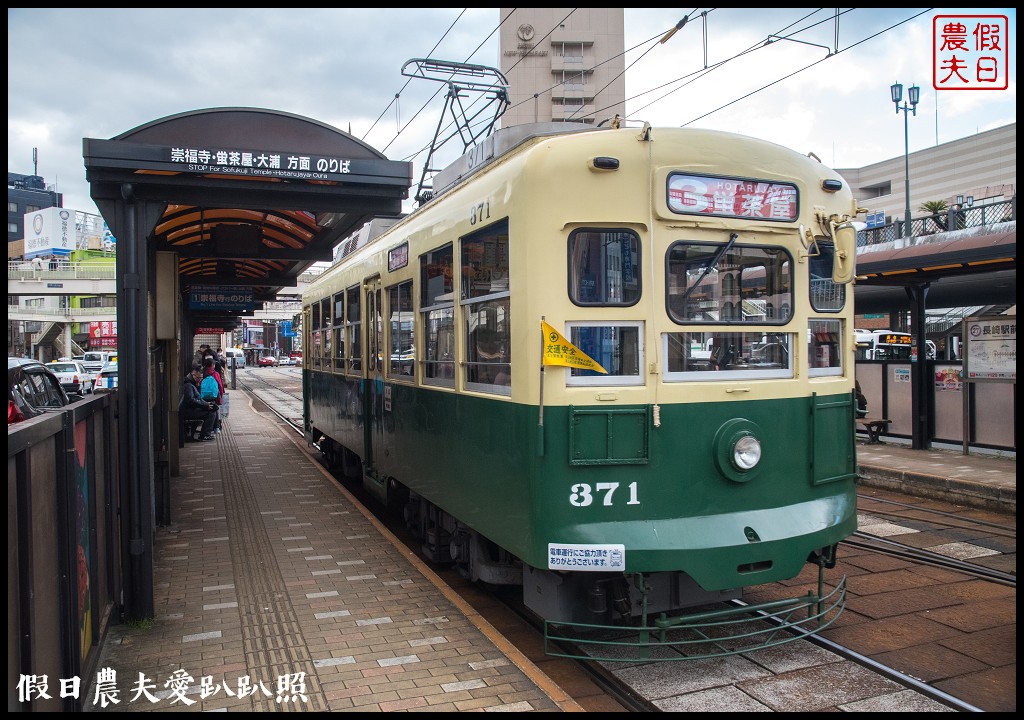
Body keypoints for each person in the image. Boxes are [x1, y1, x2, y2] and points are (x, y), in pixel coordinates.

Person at [180, 365, 217, 440]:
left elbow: (198, 398)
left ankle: (208, 431)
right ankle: (205, 434)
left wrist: (207, 404)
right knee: (211, 413)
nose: (200, 380)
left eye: (201, 378)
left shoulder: (192, 384)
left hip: (191, 409)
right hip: (188, 411)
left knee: (213, 408)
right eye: (198, 378)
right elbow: (191, 400)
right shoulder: (188, 385)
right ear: (193, 374)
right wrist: (205, 405)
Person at [203, 357, 226, 432]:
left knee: (211, 409)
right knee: (215, 408)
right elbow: (219, 385)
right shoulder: (215, 374)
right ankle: (216, 427)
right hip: (214, 395)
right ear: (212, 365)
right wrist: (221, 395)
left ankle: (215, 426)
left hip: (202, 396)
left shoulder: (202, 372)